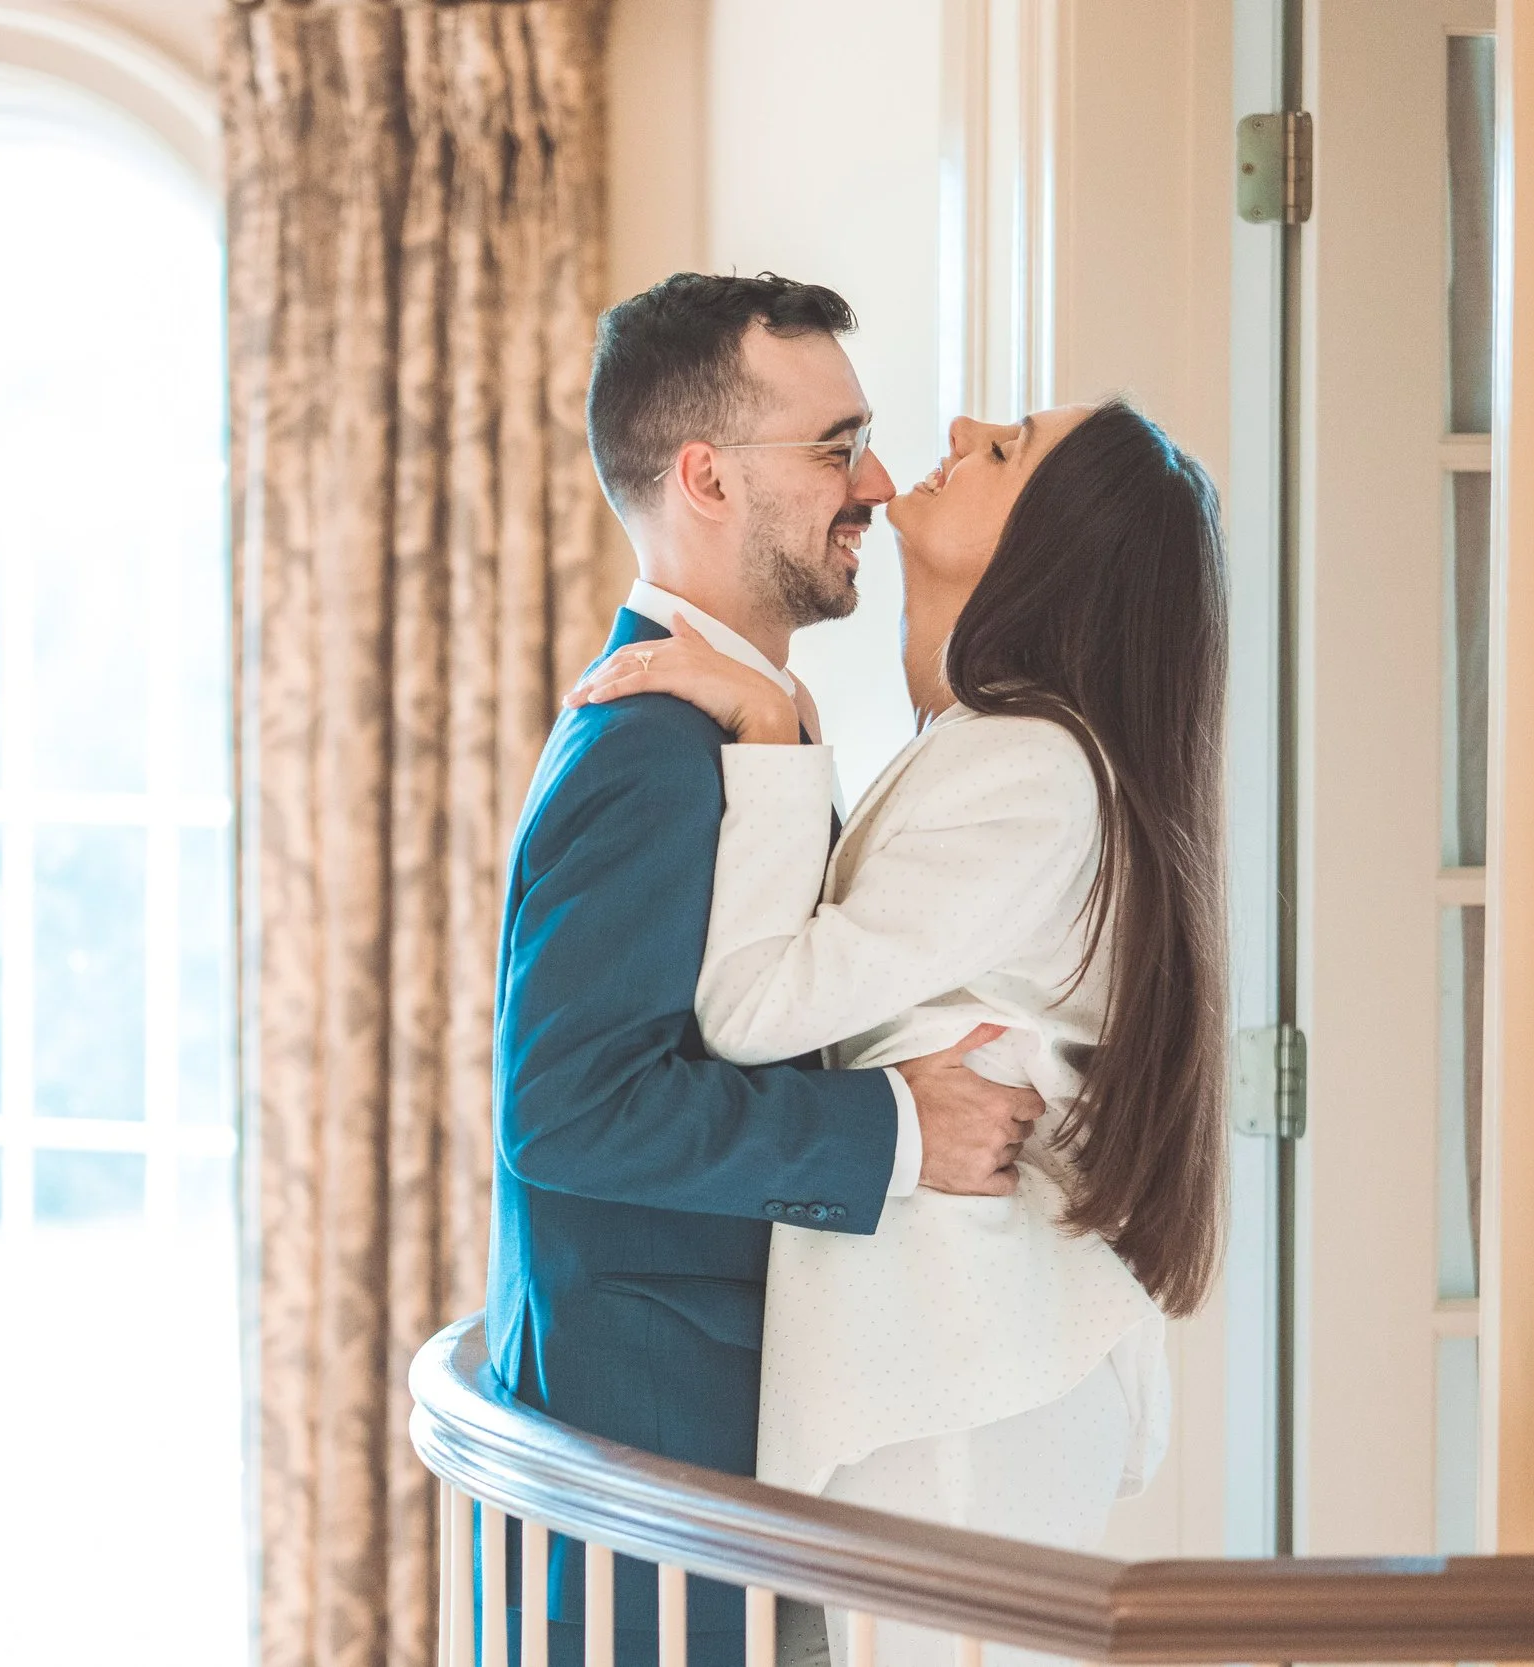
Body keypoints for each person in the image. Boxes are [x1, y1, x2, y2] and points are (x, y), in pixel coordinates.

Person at [569, 398, 1231, 1667]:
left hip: (961, 1370)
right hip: (948, 1360)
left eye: (1003, 447)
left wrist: (769, 727)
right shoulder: (995, 750)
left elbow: (752, 1009)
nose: (965, 421)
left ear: (1049, 547)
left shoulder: (1028, 764)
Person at [483, 273, 1048, 1667]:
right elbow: (567, 1111)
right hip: (653, 1499)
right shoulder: (647, 755)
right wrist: (902, 1133)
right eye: (832, 444)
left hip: (732, 1475)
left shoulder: (740, 729)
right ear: (706, 478)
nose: (870, 481)